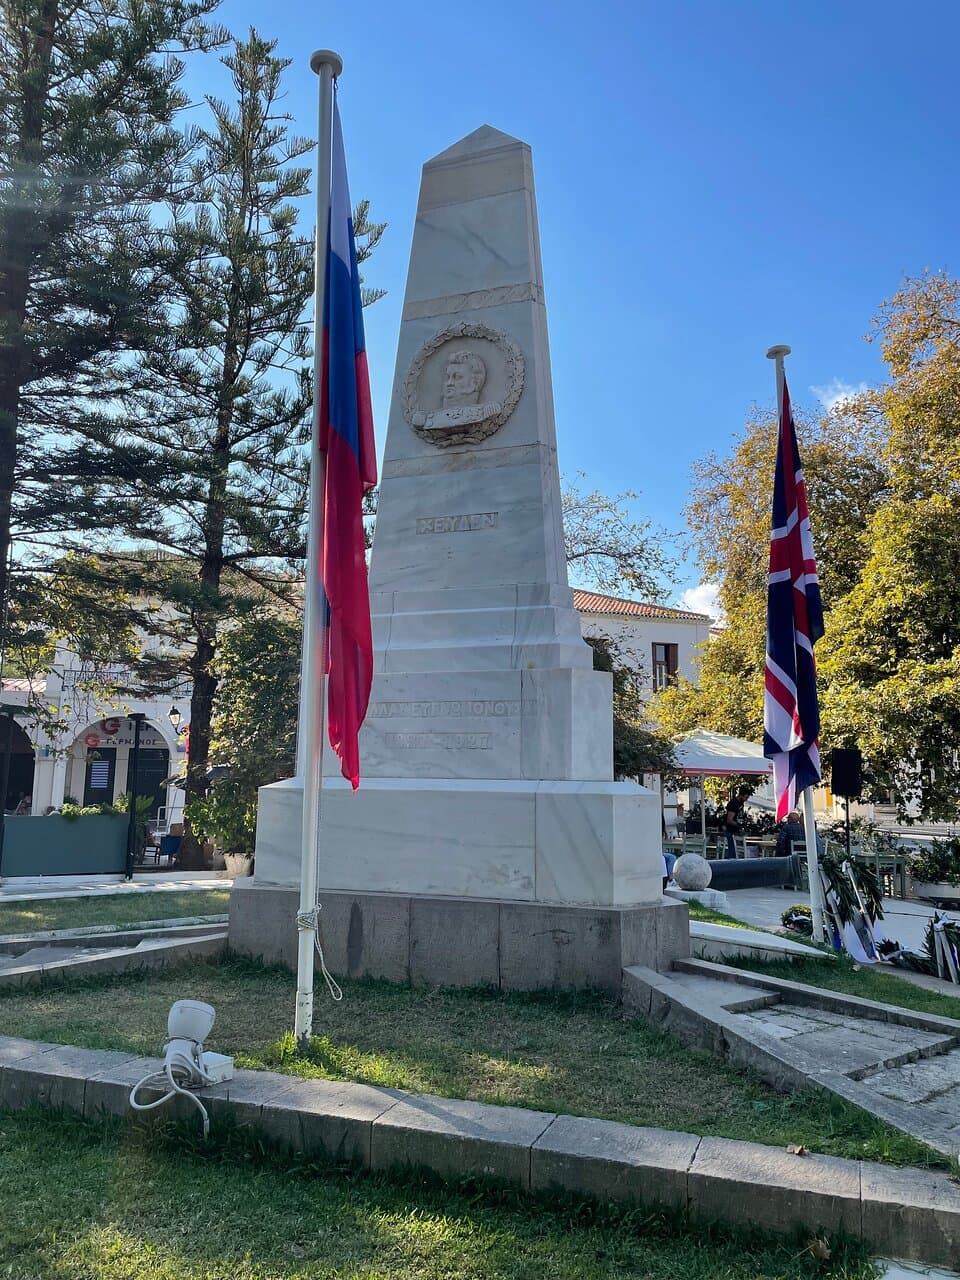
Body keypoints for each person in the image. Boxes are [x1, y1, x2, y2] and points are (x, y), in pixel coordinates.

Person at [724, 788, 750, 858]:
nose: (746, 799)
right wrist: (739, 825)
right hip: (731, 831)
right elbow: (729, 820)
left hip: (736, 831)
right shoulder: (733, 804)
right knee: (733, 853)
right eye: (746, 797)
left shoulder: (740, 804)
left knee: (738, 852)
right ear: (741, 795)